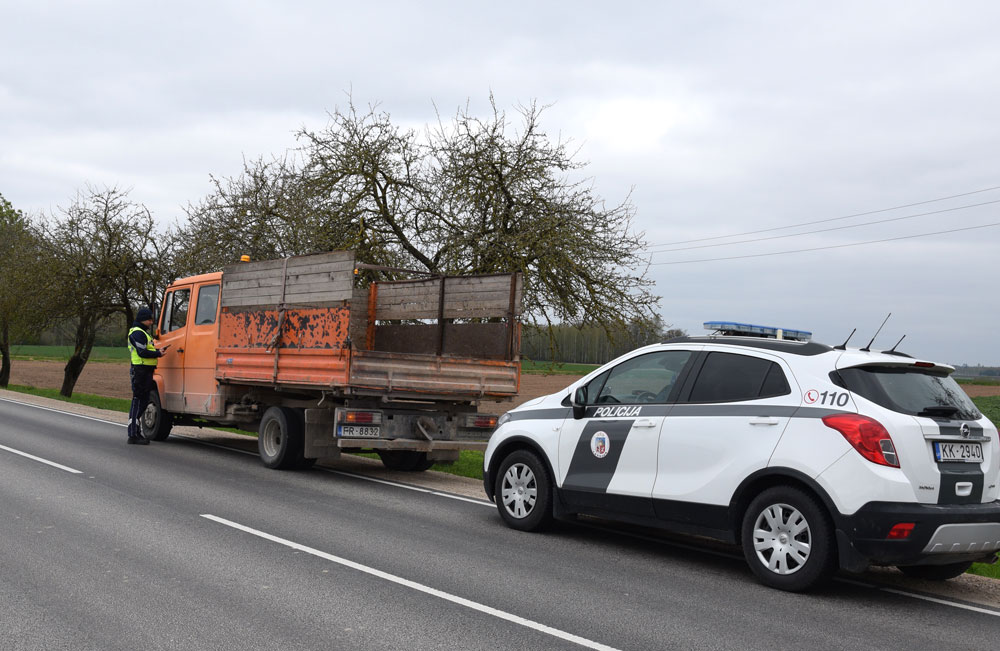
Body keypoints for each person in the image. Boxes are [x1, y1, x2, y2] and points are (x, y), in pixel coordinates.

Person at [126, 307, 169, 444]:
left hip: (144, 371)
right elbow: (142, 352)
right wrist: (158, 354)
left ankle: (136, 432)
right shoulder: (138, 333)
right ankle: (133, 434)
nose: (151, 322)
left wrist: (157, 350)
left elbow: (146, 350)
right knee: (138, 401)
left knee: (143, 401)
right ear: (143, 319)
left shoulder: (142, 333)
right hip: (140, 371)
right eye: (150, 319)